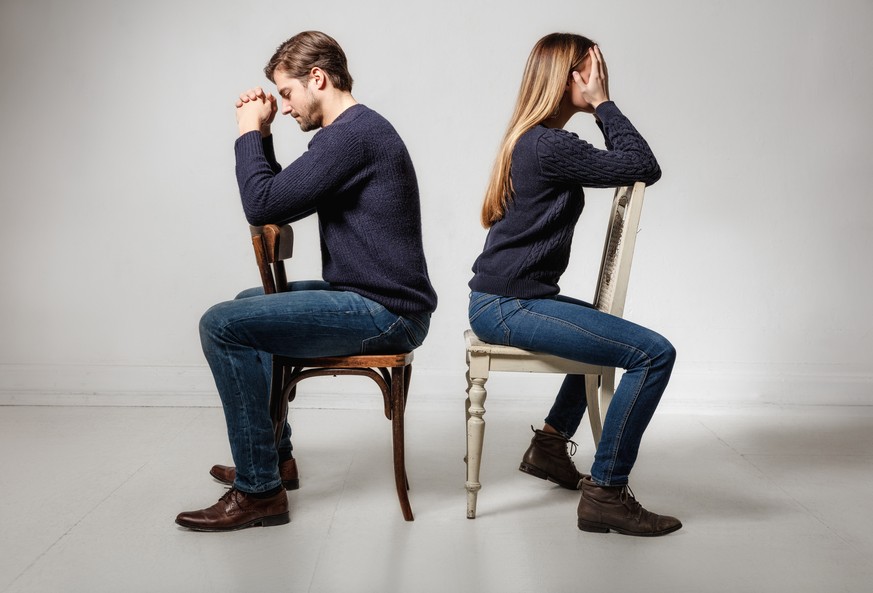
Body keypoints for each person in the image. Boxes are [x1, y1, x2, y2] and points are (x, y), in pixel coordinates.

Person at [176, 31, 437, 532]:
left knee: (220, 324)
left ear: (317, 78)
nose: (287, 105)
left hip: (386, 314)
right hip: (372, 301)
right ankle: (272, 459)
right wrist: (266, 136)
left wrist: (248, 131)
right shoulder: (352, 133)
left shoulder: (353, 136)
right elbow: (281, 196)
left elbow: (263, 204)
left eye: (289, 92)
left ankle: (259, 490)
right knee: (247, 305)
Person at [468, 33, 680, 536]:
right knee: (654, 354)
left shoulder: (533, 138)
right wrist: (604, 103)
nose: (599, 79)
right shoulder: (550, 144)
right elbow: (643, 165)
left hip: (505, 300)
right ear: (568, 79)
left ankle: (548, 445)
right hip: (509, 306)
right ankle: (606, 493)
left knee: (605, 331)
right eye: (590, 71)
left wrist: (599, 100)